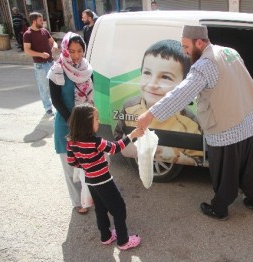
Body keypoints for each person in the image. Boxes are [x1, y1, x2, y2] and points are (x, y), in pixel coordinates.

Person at [137, 25, 253, 220]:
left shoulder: (204, 65)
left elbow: (180, 94)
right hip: (246, 120)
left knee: (225, 174)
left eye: (186, 46)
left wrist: (150, 114)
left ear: (199, 42)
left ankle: (220, 208)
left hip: (225, 130)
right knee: (251, 167)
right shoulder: (229, 52)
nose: (184, 51)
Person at [67, 103, 143, 250]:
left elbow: (72, 162)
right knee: (119, 209)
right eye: (96, 119)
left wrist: (87, 166)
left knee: (100, 209)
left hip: (91, 181)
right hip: (104, 181)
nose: (99, 122)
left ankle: (106, 236)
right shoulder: (97, 142)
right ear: (87, 123)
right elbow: (115, 148)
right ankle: (123, 241)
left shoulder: (72, 142)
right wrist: (132, 135)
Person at [114, 39, 202, 166]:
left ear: (184, 84)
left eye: (165, 77)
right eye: (147, 73)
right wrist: (125, 147)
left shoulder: (191, 123)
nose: (152, 84)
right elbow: (118, 134)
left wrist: (177, 157)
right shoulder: (129, 107)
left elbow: (199, 160)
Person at [48, 32, 94, 214]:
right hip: (65, 123)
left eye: (80, 51)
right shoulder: (56, 71)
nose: (76, 55)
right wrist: (73, 121)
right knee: (70, 166)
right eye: (72, 51)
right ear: (65, 50)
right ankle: (78, 201)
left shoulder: (87, 69)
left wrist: (89, 122)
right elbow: (56, 101)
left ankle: (89, 196)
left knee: (87, 164)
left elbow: (91, 98)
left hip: (85, 124)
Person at [23, 12, 58, 115]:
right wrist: (40, 54)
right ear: (34, 21)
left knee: (55, 85)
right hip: (40, 65)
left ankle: (56, 105)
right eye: (40, 20)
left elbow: (53, 41)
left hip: (51, 62)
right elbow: (27, 50)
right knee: (44, 87)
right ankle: (48, 108)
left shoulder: (44, 31)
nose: (42, 22)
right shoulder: (28, 34)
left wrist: (55, 45)